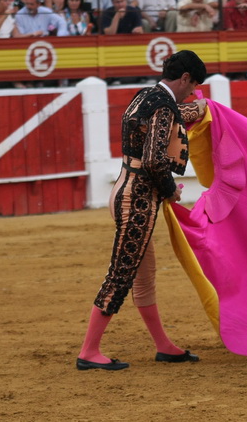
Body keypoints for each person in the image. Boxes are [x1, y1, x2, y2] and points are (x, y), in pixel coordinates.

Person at [76, 50, 208, 371]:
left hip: (124, 187)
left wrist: (195, 108)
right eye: (192, 88)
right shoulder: (163, 106)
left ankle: (164, 345)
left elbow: (168, 115)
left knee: (143, 277)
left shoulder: (145, 96)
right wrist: (170, 191)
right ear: (185, 78)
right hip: (137, 199)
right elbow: (153, 158)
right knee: (122, 274)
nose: (192, 93)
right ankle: (89, 351)